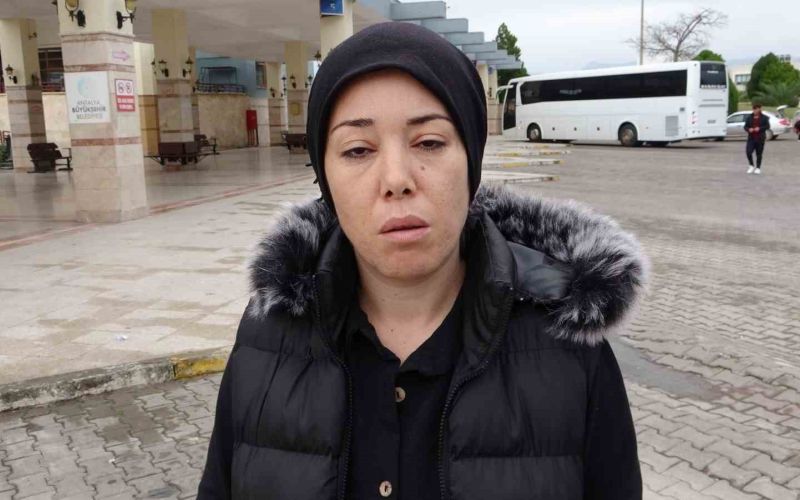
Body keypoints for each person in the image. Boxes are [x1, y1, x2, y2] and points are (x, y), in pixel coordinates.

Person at [198, 22, 647, 500]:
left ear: (470, 161)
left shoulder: (567, 339)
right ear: (325, 178)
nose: (397, 179)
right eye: (358, 150)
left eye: (429, 142)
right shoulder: (269, 332)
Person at [743, 103, 770, 175]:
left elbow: (767, 126)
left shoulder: (765, 118)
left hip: (760, 138)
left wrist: (760, 128)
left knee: (759, 154)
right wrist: (749, 129)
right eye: (754, 109)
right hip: (751, 138)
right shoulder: (749, 117)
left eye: (756, 109)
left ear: (760, 109)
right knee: (748, 152)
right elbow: (745, 127)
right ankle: (751, 165)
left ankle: (758, 168)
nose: (755, 110)